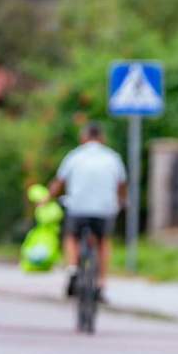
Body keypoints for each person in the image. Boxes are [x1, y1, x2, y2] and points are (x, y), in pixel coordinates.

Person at [46, 123, 127, 300]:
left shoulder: (74, 156)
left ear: (83, 138)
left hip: (78, 208)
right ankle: (100, 284)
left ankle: (73, 269)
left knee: (71, 236)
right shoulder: (113, 158)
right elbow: (121, 185)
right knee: (103, 241)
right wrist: (121, 201)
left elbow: (58, 183)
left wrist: (46, 199)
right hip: (105, 209)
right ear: (102, 138)